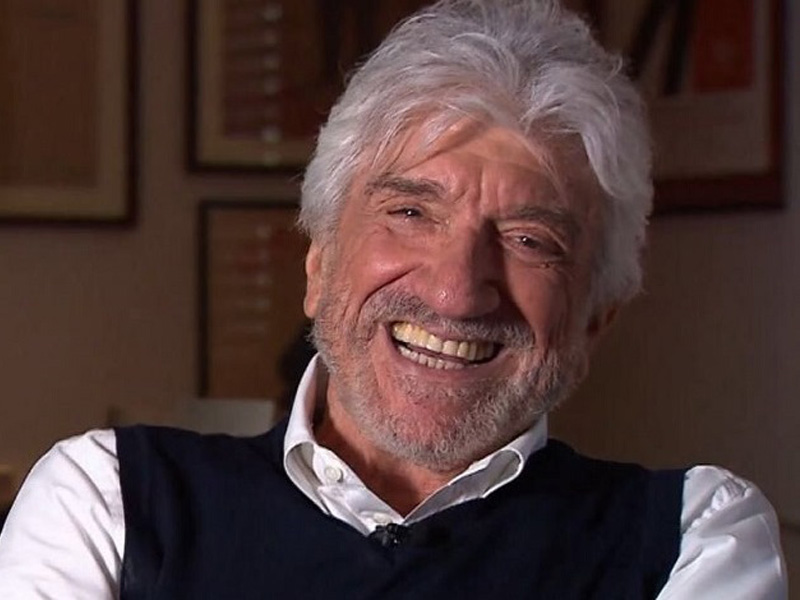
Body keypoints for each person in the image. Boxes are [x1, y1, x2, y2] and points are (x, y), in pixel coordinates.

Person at [0, 0, 787, 597]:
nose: (456, 290)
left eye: (529, 240)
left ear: (594, 320)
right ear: (318, 261)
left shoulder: (694, 537)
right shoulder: (106, 503)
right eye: (410, 213)